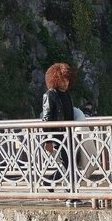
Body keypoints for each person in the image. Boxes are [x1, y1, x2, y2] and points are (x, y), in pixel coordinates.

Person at [41, 62, 76, 198]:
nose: (65, 83)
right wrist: (48, 140)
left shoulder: (67, 94)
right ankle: (70, 193)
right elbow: (46, 119)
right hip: (57, 135)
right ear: (55, 79)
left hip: (69, 133)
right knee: (67, 163)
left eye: (67, 80)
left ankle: (49, 181)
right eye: (62, 80)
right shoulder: (50, 95)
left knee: (71, 162)